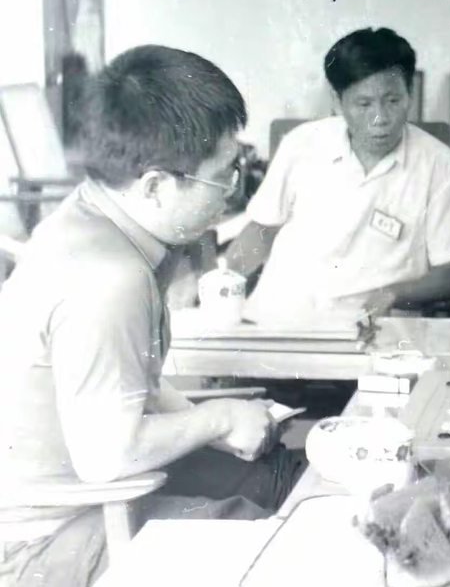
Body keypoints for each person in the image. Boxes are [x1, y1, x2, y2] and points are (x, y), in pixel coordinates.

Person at [0, 45, 306, 587]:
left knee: (279, 481)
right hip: (45, 540)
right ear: (155, 186)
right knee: (287, 546)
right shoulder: (110, 276)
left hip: (84, 493)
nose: (231, 192)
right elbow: (107, 456)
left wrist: (210, 422)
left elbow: (125, 384)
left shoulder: (88, 217)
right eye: (224, 176)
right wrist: (219, 418)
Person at [225, 28, 450, 322]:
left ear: (410, 93)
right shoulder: (301, 143)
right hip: (281, 316)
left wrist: (394, 293)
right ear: (337, 100)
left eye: (393, 101)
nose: (380, 118)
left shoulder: (440, 165)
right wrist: (223, 284)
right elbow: (261, 230)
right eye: (364, 104)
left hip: (370, 325)